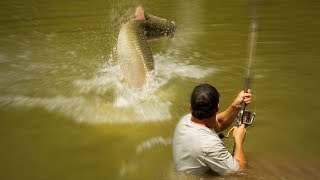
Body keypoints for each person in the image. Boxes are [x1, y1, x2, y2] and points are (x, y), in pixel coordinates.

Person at [172, 83, 252, 176]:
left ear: (190, 107)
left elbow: (220, 123)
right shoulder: (209, 145)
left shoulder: (186, 119)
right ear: (217, 107)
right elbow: (240, 172)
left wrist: (236, 106)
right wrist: (239, 140)